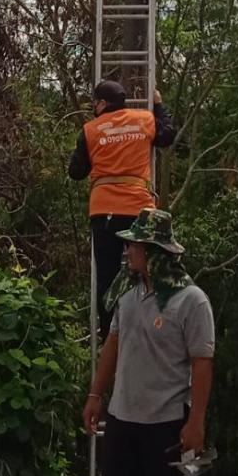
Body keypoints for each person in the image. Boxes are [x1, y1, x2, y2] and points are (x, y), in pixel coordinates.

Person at [76, 208, 215, 476]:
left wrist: (196, 422)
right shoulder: (128, 295)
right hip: (123, 418)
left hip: (167, 422)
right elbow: (113, 345)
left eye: (135, 245)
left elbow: (202, 363)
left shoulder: (191, 301)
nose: (128, 251)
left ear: (154, 252)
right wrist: (96, 395)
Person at [69, 79, 176, 339]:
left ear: (102, 103)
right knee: (148, 270)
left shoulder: (91, 130)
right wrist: (159, 105)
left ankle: (110, 337)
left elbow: (76, 172)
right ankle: (154, 328)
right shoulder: (144, 119)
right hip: (138, 210)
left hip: (104, 211)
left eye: (95, 103)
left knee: (107, 277)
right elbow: (167, 135)